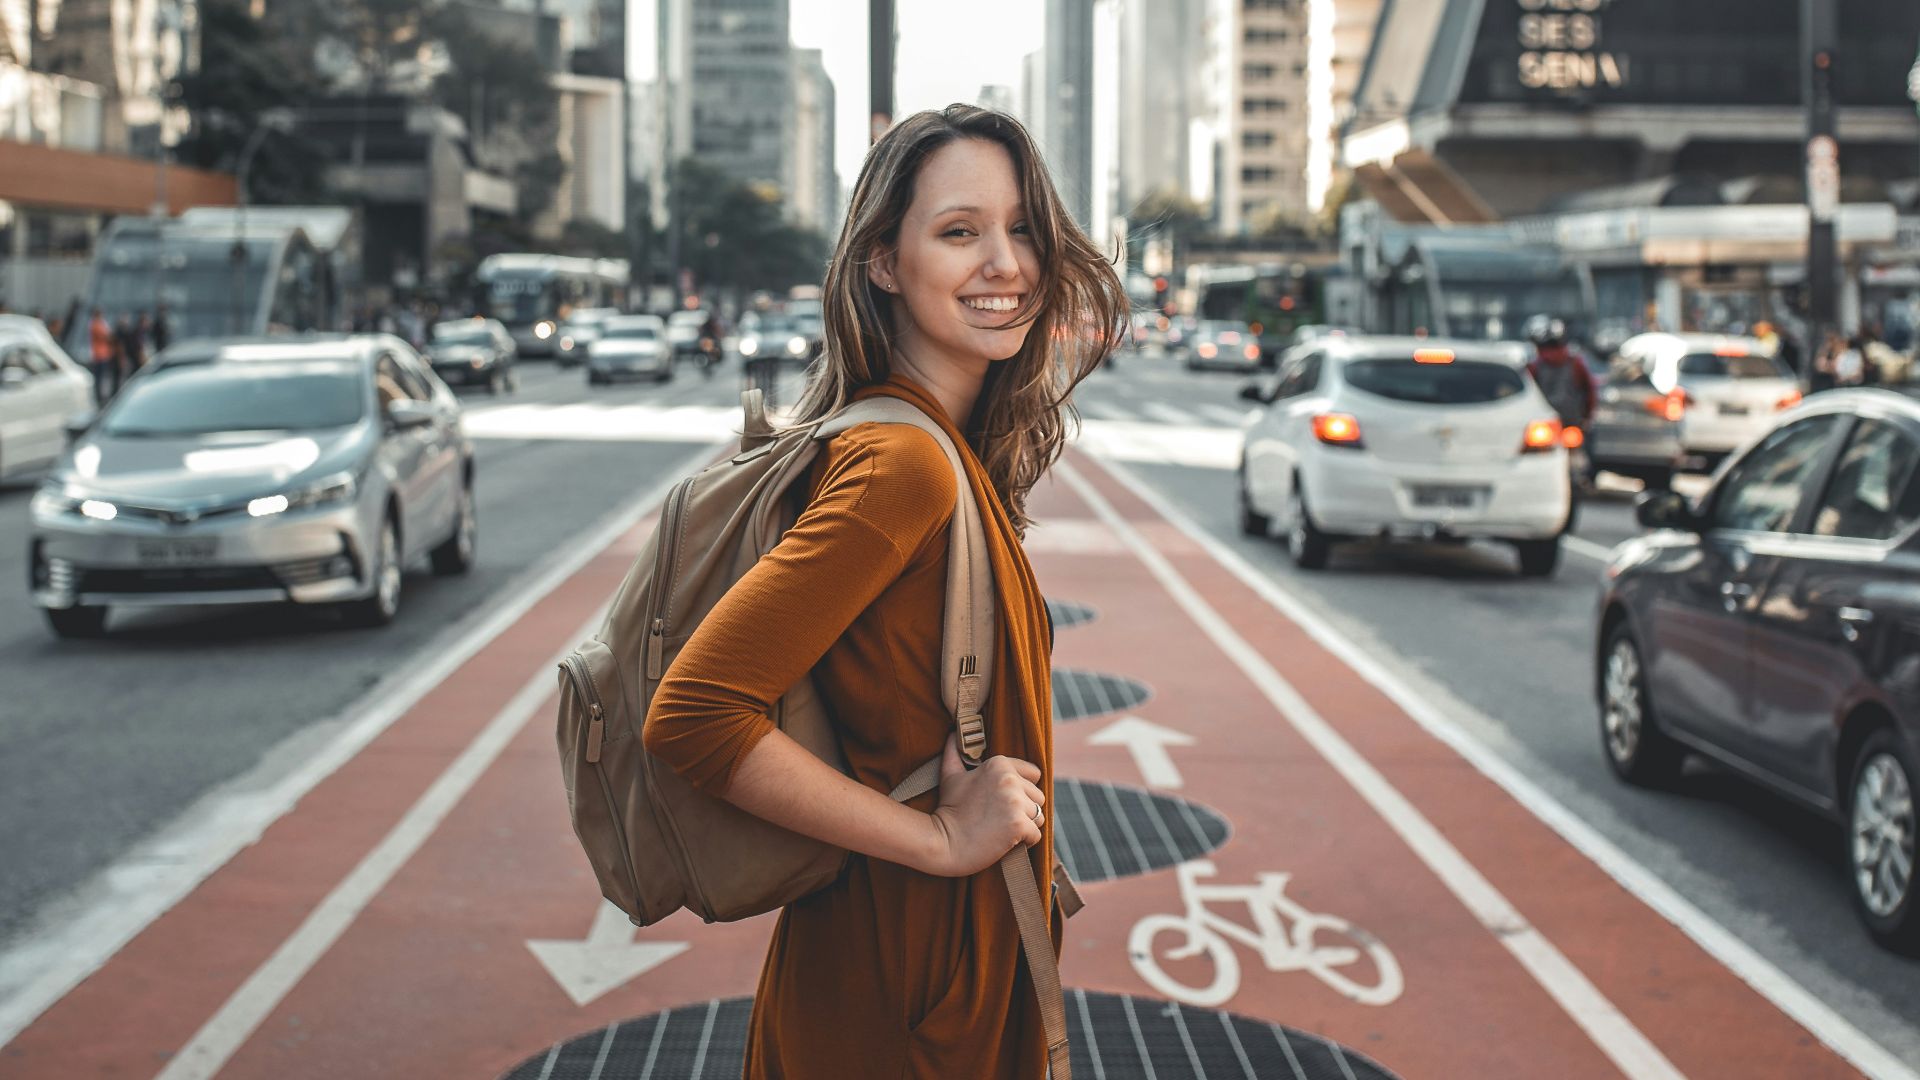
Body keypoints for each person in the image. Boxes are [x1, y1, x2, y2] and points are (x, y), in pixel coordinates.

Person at [641, 105, 1125, 1078]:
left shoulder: (929, 446)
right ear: (883, 263)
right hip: (901, 997)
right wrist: (943, 839)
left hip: (928, 977)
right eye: (959, 231)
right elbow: (694, 715)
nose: (1006, 262)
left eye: (1022, 226)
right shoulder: (902, 464)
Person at [87, 307, 116, 404]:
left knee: (100, 377)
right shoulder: (97, 325)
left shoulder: (96, 324)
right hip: (100, 354)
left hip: (100, 354)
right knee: (100, 377)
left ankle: (99, 396)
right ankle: (99, 397)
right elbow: (107, 336)